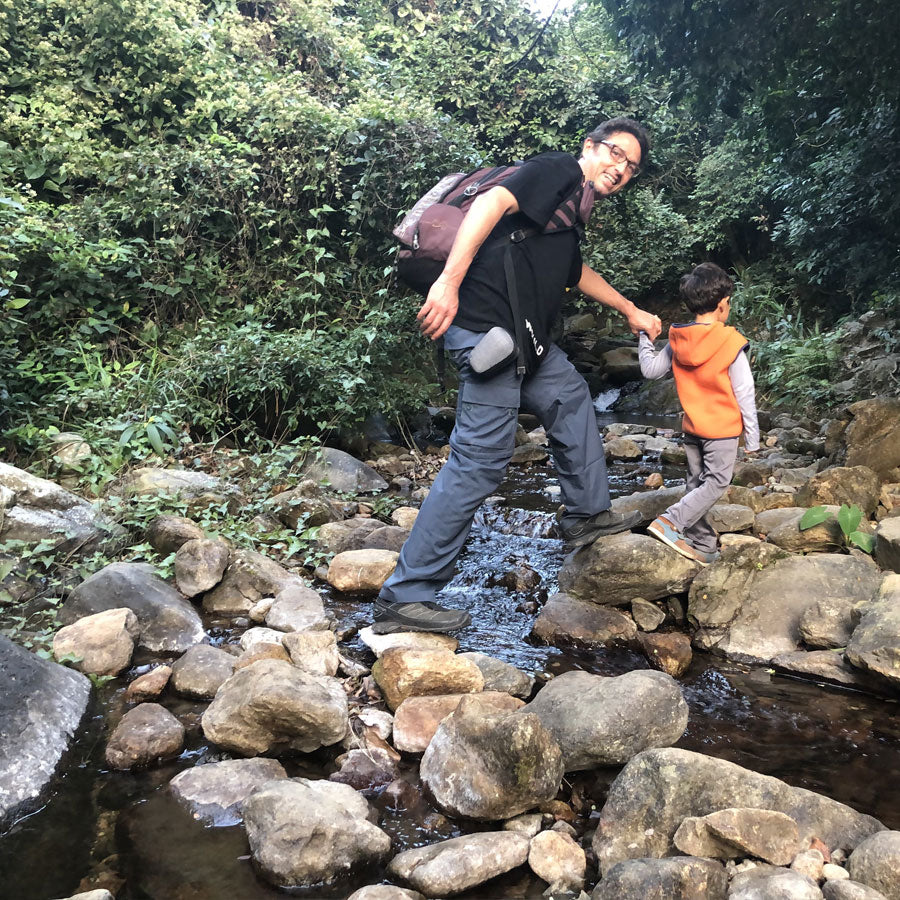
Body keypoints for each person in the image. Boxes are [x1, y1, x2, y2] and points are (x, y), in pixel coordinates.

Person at [373, 118, 662, 634]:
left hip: (528, 342)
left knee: (571, 396)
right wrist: (448, 282)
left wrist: (630, 310)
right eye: (615, 154)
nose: (620, 169)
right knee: (478, 465)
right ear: (590, 147)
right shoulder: (557, 170)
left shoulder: (569, 212)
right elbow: (491, 204)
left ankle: (587, 514)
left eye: (631, 167)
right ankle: (405, 596)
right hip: (489, 333)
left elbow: (574, 274)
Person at [638, 262, 759, 566]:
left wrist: (645, 337)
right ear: (722, 305)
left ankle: (701, 542)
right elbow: (745, 391)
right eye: (728, 302)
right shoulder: (730, 342)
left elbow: (650, 370)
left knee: (697, 482)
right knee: (716, 483)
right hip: (721, 429)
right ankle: (670, 521)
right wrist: (753, 439)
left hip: (692, 427)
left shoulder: (679, 337)